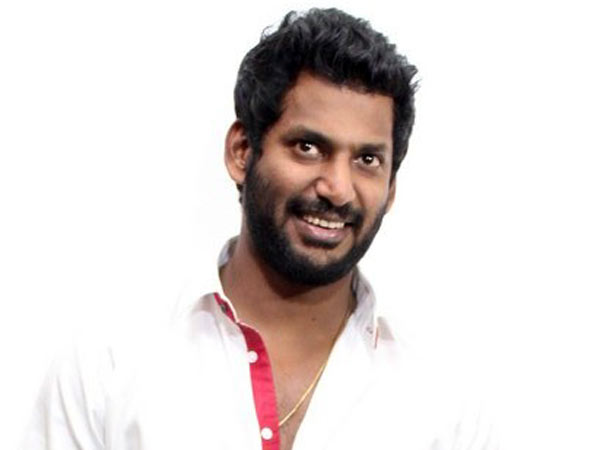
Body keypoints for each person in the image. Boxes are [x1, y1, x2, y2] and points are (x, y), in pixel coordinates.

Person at [21, 8, 495, 450]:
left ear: (391, 187)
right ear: (242, 152)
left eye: (367, 159)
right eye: (308, 147)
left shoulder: (441, 401)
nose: (337, 188)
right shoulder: (110, 363)